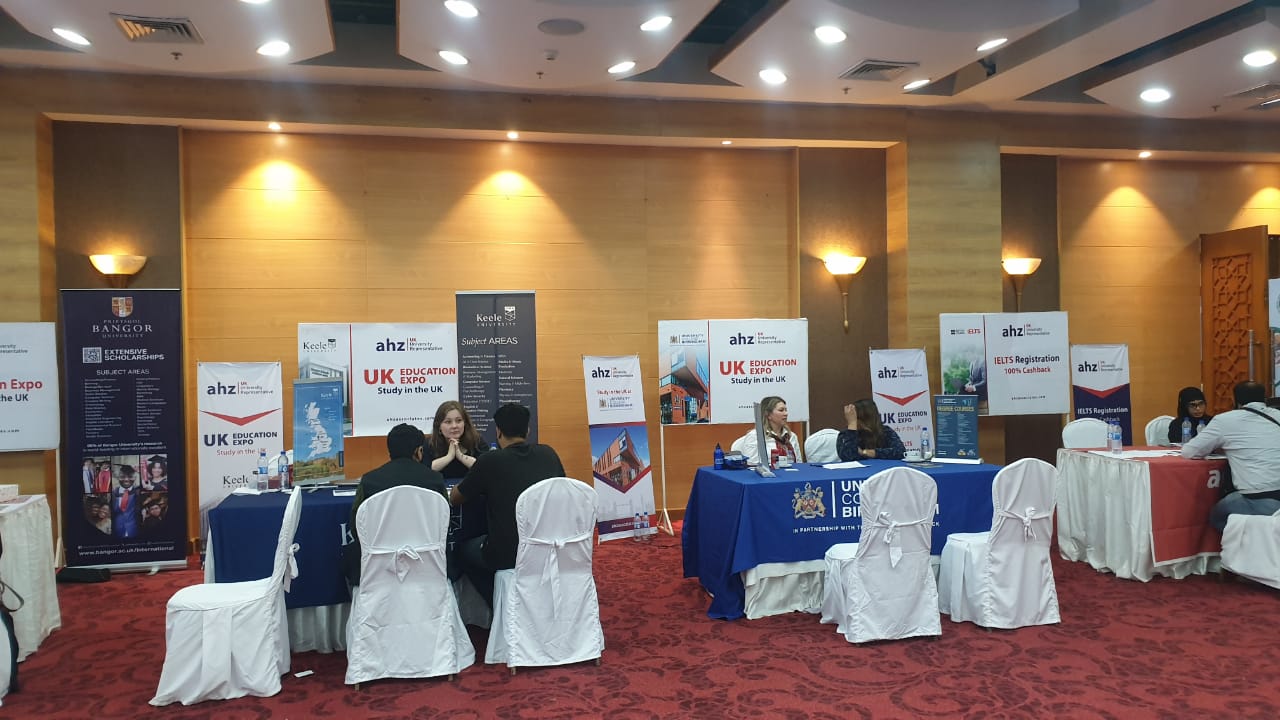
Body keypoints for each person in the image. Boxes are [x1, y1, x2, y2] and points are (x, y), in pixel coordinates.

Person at [451, 403, 565, 608]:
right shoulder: (549, 454)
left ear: (498, 431)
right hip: (550, 545)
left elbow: (456, 497)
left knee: (463, 551)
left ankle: (500, 605)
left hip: (508, 554)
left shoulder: (490, 461)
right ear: (527, 430)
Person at [344, 423, 446, 585]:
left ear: (390, 451)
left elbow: (357, 527)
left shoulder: (370, 481)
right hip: (428, 565)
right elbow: (444, 524)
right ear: (419, 451)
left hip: (377, 568)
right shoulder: (435, 480)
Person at [1181, 381, 1280, 532]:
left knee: (1216, 516)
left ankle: (1249, 543)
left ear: (1236, 401)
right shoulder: (1277, 415)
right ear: (1265, 398)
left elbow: (1189, 451)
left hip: (1258, 498)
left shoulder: (1225, 420)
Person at [424, 400, 490, 480]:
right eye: (448, 422)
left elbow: (486, 468)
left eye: (459, 420)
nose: (454, 426)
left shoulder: (477, 441)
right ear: (439, 426)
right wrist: (449, 456)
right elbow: (424, 470)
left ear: (465, 423)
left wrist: (460, 456)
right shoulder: (430, 444)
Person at [836, 398, 907, 461]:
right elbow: (848, 456)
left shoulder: (885, 431)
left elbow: (901, 452)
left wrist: (867, 452)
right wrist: (852, 425)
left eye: (855, 418)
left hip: (882, 469)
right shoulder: (846, 434)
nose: (855, 421)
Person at [739, 396, 800, 467]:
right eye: (781, 410)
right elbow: (751, 465)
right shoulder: (755, 436)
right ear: (768, 415)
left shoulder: (791, 436)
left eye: (786, 410)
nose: (786, 413)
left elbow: (799, 464)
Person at [111, 465, 141, 539]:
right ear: (118, 477)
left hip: (134, 531)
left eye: (130, 476)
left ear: (135, 478)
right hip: (117, 532)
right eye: (123, 476)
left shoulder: (138, 493)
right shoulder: (113, 494)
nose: (126, 479)